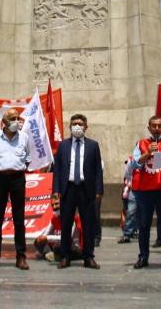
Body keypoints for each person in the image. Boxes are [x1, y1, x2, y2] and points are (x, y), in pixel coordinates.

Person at [52, 114, 104, 269]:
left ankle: (88, 257)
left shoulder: (93, 145)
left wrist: (99, 190)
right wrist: (56, 189)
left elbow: (98, 171)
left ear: (86, 127)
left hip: (86, 189)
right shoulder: (63, 145)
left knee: (88, 224)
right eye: (74, 123)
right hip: (67, 189)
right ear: (70, 127)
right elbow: (58, 169)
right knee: (66, 224)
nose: (76, 126)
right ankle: (65, 256)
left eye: (80, 124)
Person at [132, 116, 161, 270]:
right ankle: (143, 256)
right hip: (145, 191)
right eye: (154, 126)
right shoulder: (141, 144)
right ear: (149, 128)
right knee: (144, 225)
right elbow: (134, 163)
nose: (157, 129)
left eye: (160, 126)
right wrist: (147, 153)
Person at [0, 109, 31, 270]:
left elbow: (28, 158)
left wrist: (16, 168)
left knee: (19, 219)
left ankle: (21, 257)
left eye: (18, 118)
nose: (17, 121)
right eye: (13, 118)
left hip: (18, 179)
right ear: (4, 122)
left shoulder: (24, 137)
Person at [117, 156, 139, 243]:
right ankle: (127, 234)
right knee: (130, 211)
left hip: (148, 188)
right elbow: (127, 173)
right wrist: (131, 183)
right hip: (135, 189)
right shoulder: (132, 159)